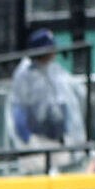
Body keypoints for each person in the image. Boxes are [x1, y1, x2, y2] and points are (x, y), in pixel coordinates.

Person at [8, 28, 86, 167]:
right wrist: (28, 141)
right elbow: (18, 109)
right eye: (51, 47)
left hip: (57, 140)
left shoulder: (53, 69)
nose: (54, 50)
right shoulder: (24, 74)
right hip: (37, 141)